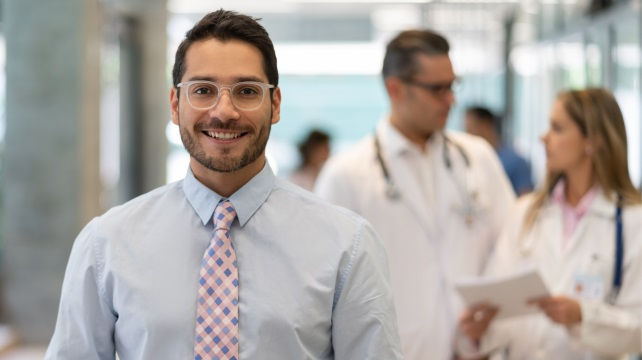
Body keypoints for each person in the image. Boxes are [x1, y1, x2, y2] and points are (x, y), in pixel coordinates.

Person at [45, 10, 402, 360]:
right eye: (203, 90)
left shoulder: (346, 246)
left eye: (246, 91)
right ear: (175, 104)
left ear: (274, 105)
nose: (224, 111)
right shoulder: (107, 244)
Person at [315, 29, 515, 360]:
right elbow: (326, 288)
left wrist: (488, 324)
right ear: (395, 89)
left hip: (478, 351)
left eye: (453, 85)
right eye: (437, 89)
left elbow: (509, 248)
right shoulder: (347, 175)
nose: (451, 99)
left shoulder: (476, 158)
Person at [457, 88, 642, 359]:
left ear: (593, 140)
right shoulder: (525, 213)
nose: (544, 137)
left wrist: (583, 316)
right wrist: (479, 331)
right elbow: (499, 303)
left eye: (557, 128)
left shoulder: (631, 221)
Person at [465, 106, 534, 195]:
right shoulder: (470, 161)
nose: (466, 135)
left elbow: (526, 199)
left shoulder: (516, 162)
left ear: (486, 125)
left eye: (470, 129)